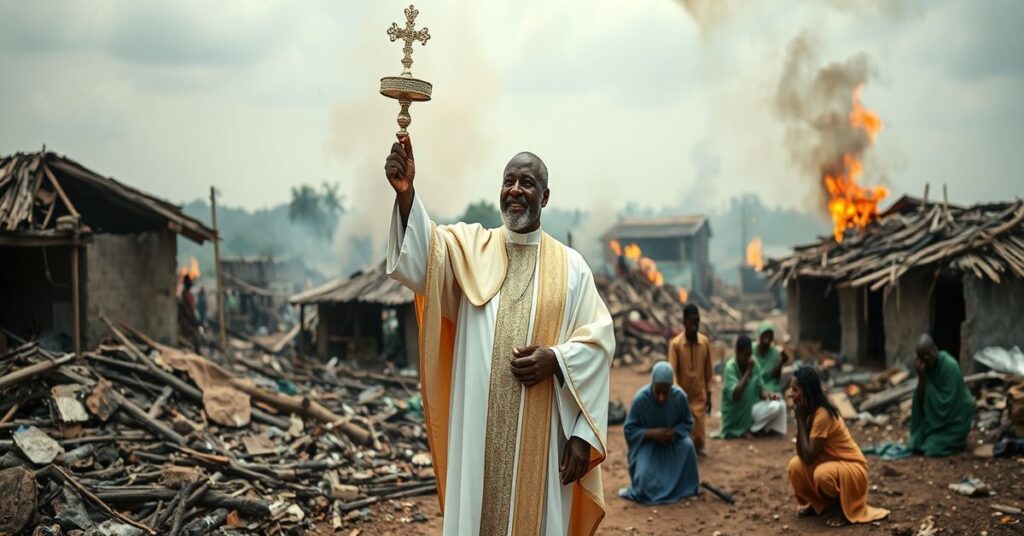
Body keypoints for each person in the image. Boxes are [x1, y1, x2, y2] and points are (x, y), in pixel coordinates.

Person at [384, 136, 613, 535]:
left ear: (545, 196)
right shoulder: (471, 247)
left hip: (542, 446)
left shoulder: (573, 268)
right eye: (509, 181)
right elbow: (423, 256)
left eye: (527, 183)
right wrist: (407, 195)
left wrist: (557, 362)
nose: (515, 191)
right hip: (478, 437)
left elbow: (598, 344)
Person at [787, 367, 890, 527]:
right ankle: (819, 506)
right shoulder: (808, 412)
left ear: (806, 392)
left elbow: (809, 456)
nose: (790, 394)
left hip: (853, 468)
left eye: (795, 390)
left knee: (822, 475)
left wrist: (800, 420)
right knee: (795, 466)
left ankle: (840, 508)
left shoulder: (822, 414)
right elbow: (802, 456)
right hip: (833, 466)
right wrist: (801, 420)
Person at [619, 361, 700, 505]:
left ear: (671, 387)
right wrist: (651, 433)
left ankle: (684, 488)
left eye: (665, 392)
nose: (662, 397)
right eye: (658, 392)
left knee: (687, 446)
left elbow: (688, 423)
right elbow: (629, 429)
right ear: (652, 385)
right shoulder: (641, 399)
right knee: (643, 479)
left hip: (672, 444)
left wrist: (674, 432)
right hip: (648, 446)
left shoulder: (680, 397)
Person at [909, 334, 974, 457]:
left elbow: (947, 403)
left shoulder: (950, 366)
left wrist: (929, 389)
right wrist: (922, 377)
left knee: (931, 449)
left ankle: (957, 442)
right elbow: (921, 400)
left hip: (954, 421)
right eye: (922, 358)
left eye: (928, 357)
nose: (926, 361)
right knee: (914, 444)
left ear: (935, 349)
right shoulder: (925, 367)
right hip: (935, 422)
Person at [667, 304, 713, 455]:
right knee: (683, 425)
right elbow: (672, 370)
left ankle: (699, 447)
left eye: (697, 322)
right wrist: (676, 392)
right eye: (692, 322)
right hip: (683, 393)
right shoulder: (676, 344)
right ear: (684, 322)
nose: (695, 326)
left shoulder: (704, 342)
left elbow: (708, 370)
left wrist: (709, 392)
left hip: (699, 393)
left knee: (699, 425)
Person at [719, 335, 786, 438]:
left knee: (780, 403)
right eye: (744, 355)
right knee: (775, 406)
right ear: (737, 352)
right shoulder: (730, 368)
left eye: (749, 355)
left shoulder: (754, 363)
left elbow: (761, 392)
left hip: (751, 407)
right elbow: (736, 395)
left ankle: (768, 429)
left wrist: (773, 397)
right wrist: (748, 371)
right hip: (736, 414)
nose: (746, 359)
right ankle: (749, 429)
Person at [754, 321, 789, 394]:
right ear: (760, 335)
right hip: (754, 385)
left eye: (769, 336)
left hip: (770, 386)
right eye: (765, 335)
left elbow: (776, 376)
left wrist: (781, 360)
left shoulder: (775, 354)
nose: (766, 340)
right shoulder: (751, 349)